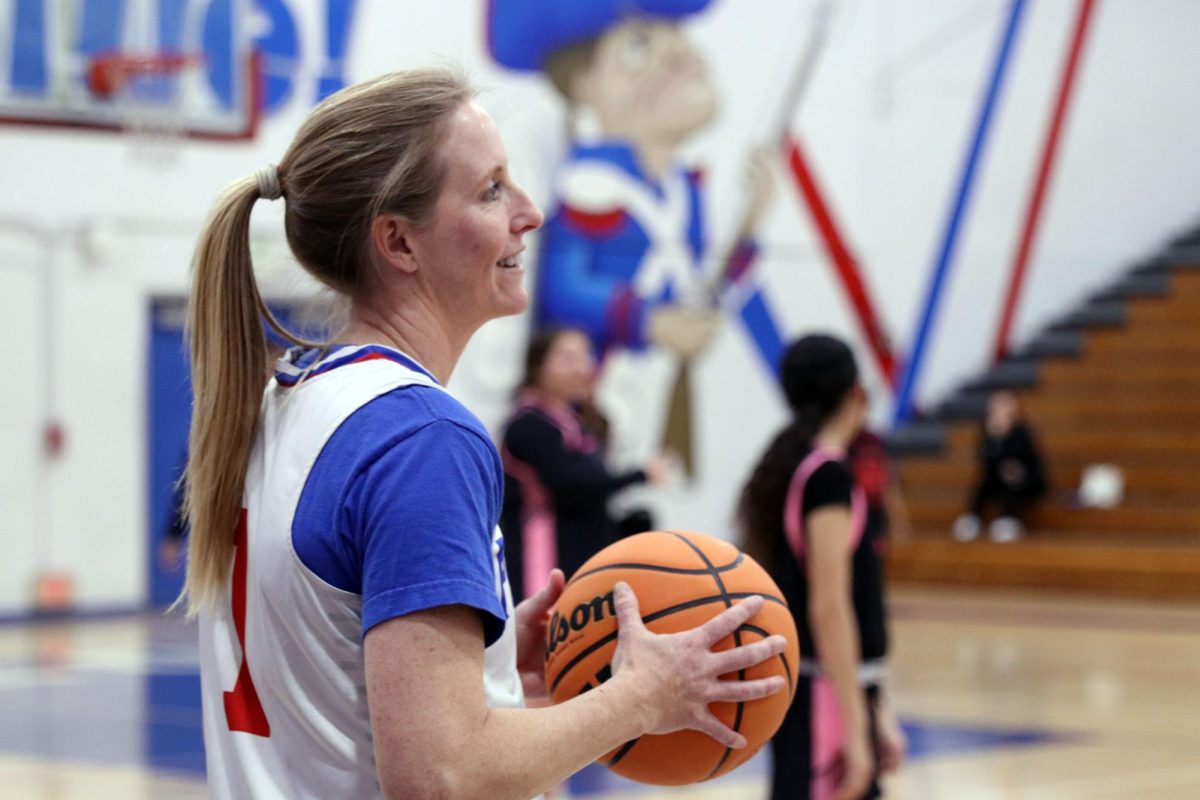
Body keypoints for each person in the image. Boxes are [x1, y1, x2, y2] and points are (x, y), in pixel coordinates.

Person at [182, 67, 787, 800]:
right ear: (399, 243)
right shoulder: (420, 439)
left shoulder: (292, 399)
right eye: (492, 189)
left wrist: (500, 683)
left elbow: (347, 711)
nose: (530, 213)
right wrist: (640, 697)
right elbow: (441, 776)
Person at [489, 0, 786, 481]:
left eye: (675, 32)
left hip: (642, 394)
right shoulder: (591, 186)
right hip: (603, 388)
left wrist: (748, 227)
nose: (678, 54)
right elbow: (561, 287)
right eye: (639, 44)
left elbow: (699, 283)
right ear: (584, 84)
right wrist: (650, 320)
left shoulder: (681, 190)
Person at [739, 335, 906, 800]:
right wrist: (855, 734)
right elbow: (830, 609)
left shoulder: (798, 465)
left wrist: (880, 711)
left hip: (830, 691)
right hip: (823, 700)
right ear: (857, 391)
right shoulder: (827, 478)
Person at [499, 326, 668, 601]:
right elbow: (570, 484)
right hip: (542, 558)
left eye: (584, 357)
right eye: (568, 358)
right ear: (537, 364)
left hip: (581, 558)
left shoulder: (576, 424)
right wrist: (639, 475)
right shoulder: (529, 424)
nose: (580, 367)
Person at [952, 390, 1046, 543]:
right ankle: (972, 519)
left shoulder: (1022, 432)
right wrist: (994, 438)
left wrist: (1014, 467)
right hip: (996, 478)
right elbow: (984, 460)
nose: (999, 410)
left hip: (1025, 480)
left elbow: (1025, 460)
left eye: (1004, 406)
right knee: (983, 483)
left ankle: (1009, 520)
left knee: (1011, 478)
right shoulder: (988, 432)